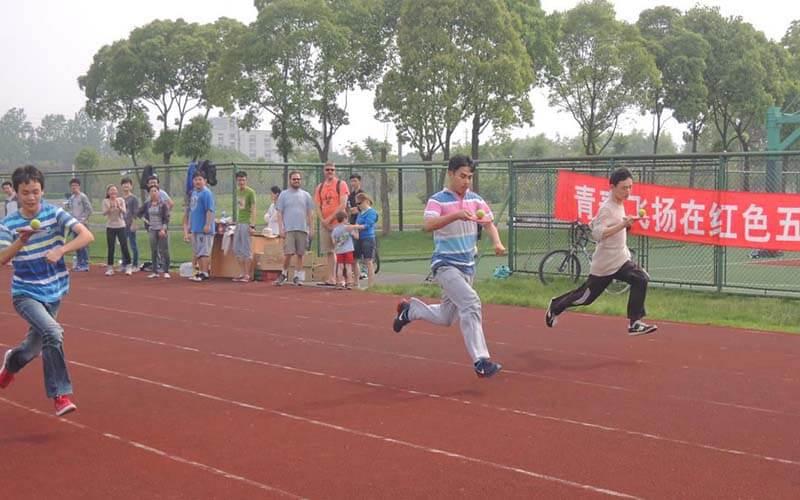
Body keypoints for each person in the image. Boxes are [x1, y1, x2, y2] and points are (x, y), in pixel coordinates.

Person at [392, 155, 506, 379]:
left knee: (446, 317)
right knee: (471, 302)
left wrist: (497, 242)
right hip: (445, 265)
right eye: (462, 176)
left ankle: (411, 311)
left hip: (467, 267)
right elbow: (428, 225)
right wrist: (455, 215)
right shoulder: (438, 200)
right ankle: (481, 361)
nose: (466, 181)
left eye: (470, 177)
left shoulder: (476, 200)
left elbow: (489, 224)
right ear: (451, 174)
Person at [0, 165, 94, 416]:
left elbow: (86, 235)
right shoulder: (8, 224)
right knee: (54, 331)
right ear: (16, 193)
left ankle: (11, 364)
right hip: (25, 293)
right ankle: (60, 395)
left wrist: (62, 250)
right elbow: (1, 258)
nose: (31, 197)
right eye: (25, 192)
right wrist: (22, 240)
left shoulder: (55, 214)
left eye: (35, 191)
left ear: (42, 190)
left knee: (31, 349)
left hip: (53, 292)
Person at [544, 167, 657, 335]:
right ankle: (556, 305)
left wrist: (626, 225)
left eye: (630, 187)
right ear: (612, 187)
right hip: (605, 264)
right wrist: (623, 225)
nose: (628, 191)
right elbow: (597, 234)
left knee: (641, 279)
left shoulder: (620, 205)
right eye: (624, 188)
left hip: (620, 259)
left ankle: (635, 323)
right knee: (585, 298)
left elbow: (613, 229)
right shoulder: (607, 208)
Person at [274, 171, 315, 285]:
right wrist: (281, 228)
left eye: (298, 179)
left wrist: (311, 228)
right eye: (294, 179)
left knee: (300, 254)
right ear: (290, 180)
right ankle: (284, 274)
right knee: (288, 253)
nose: (296, 181)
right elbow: (279, 212)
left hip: (302, 229)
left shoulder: (306, 195)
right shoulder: (283, 195)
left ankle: (298, 276)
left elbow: (310, 213)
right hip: (289, 229)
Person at [314, 161, 349, 285]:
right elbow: (317, 206)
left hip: (338, 223)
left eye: (332, 170)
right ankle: (331, 277)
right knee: (329, 251)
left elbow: (343, 204)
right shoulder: (320, 187)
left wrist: (330, 219)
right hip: (325, 224)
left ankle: (344, 278)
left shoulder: (341, 184)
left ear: (335, 171)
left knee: (342, 250)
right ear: (324, 171)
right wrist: (323, 220)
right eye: (327, 169)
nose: (330, 172)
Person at [184, 171, 215, 281]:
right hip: (195, 228)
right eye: (196, 179)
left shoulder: (207, 193)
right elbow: (192, 210)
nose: (197, 181)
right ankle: (200, 271)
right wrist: (189, 227)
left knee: (204, 252)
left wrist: (207, 224)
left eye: (200, 179)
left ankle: (205, 273)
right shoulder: (194, 193)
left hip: (204, 228)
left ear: (205, 181)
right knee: (198, 251)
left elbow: (209, 210)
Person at [137, 185, 171, 279]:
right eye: (151, 191)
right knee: (154, 250)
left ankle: (166, 270)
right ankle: (155, 271)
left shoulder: (163, 204)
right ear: (149, 193)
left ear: (158, 192)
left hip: (161, 230)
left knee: (164, 250)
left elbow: (166, 218)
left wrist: (163, 229)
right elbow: (139, 212)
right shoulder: (147, 204)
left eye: (155, 191)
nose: (153, 193)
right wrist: (146, 221)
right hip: (152, 230)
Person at [102, 184, 132, 276]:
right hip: (110, 226)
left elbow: (124, 212)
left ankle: (128, 266)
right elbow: (104, 213)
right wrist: (110, 208)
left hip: (121, 226)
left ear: (117, 192)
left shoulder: (121, 200)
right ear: (108, 192)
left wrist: (119, 206)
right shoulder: (105, 201)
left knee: (124, 246)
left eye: (114, 190)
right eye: (111, 190)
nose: (113, 192)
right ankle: (110, 268)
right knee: (111, 247)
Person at [232, 171, 257, 282]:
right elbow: (240, 208)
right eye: (239, 180)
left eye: (243, 180)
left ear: (246, 180)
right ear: (236, 181)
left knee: (246, 249)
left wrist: (252, 225)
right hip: (239, 222)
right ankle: (242, 273)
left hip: (246, 223)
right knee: (236, 248)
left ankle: (247, 274)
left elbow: (253, 209)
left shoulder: (250, 192)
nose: (241, 182)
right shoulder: (237, 191)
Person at [67, 178, 92, 272]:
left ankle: (85, 264)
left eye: (76, 186)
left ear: (79, 186)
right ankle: (78, 263)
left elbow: (89, 209)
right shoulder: (71, 198)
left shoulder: (83, 197)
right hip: (74, 225)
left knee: (83, 245)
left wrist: (83, 219)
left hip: (82, 225)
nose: (74, 187)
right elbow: (70, 210)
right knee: (76, 244)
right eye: (72, 186)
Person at [354, 192, 378, 288]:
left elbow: (368, 225)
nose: (358, 206)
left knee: (368, 260)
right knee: (355, 259)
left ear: (366, 201)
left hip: (368, 238)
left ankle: (370, 284)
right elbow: (357, 224)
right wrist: (354, 231)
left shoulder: (372, 212)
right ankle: (356, 282)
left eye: (360, 203)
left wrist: (355, 227)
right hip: (359, 238)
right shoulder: (360, 213)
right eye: (357, 204)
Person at [330, 211, 360, 289]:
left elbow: (333, 241)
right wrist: (356, 229)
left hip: (339, 250)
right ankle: (349, 283)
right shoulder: (348, 228)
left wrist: (338, 243)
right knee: (348, 267)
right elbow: (356, 237)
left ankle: (339, 282)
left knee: (340, 267)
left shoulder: (335, 230)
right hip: (348, 250)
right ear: (344, 219)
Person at [120, 178, 140, 272]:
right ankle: (125, 264)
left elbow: (136, 213)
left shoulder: (134, 199)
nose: (126, 186)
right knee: (123, 245)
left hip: (130, 224)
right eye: (124, 184)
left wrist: (134, 223)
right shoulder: (120, 199)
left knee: (133, 245)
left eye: (127, 184)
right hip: (121, 225)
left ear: (131, 186)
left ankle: (135, 264)